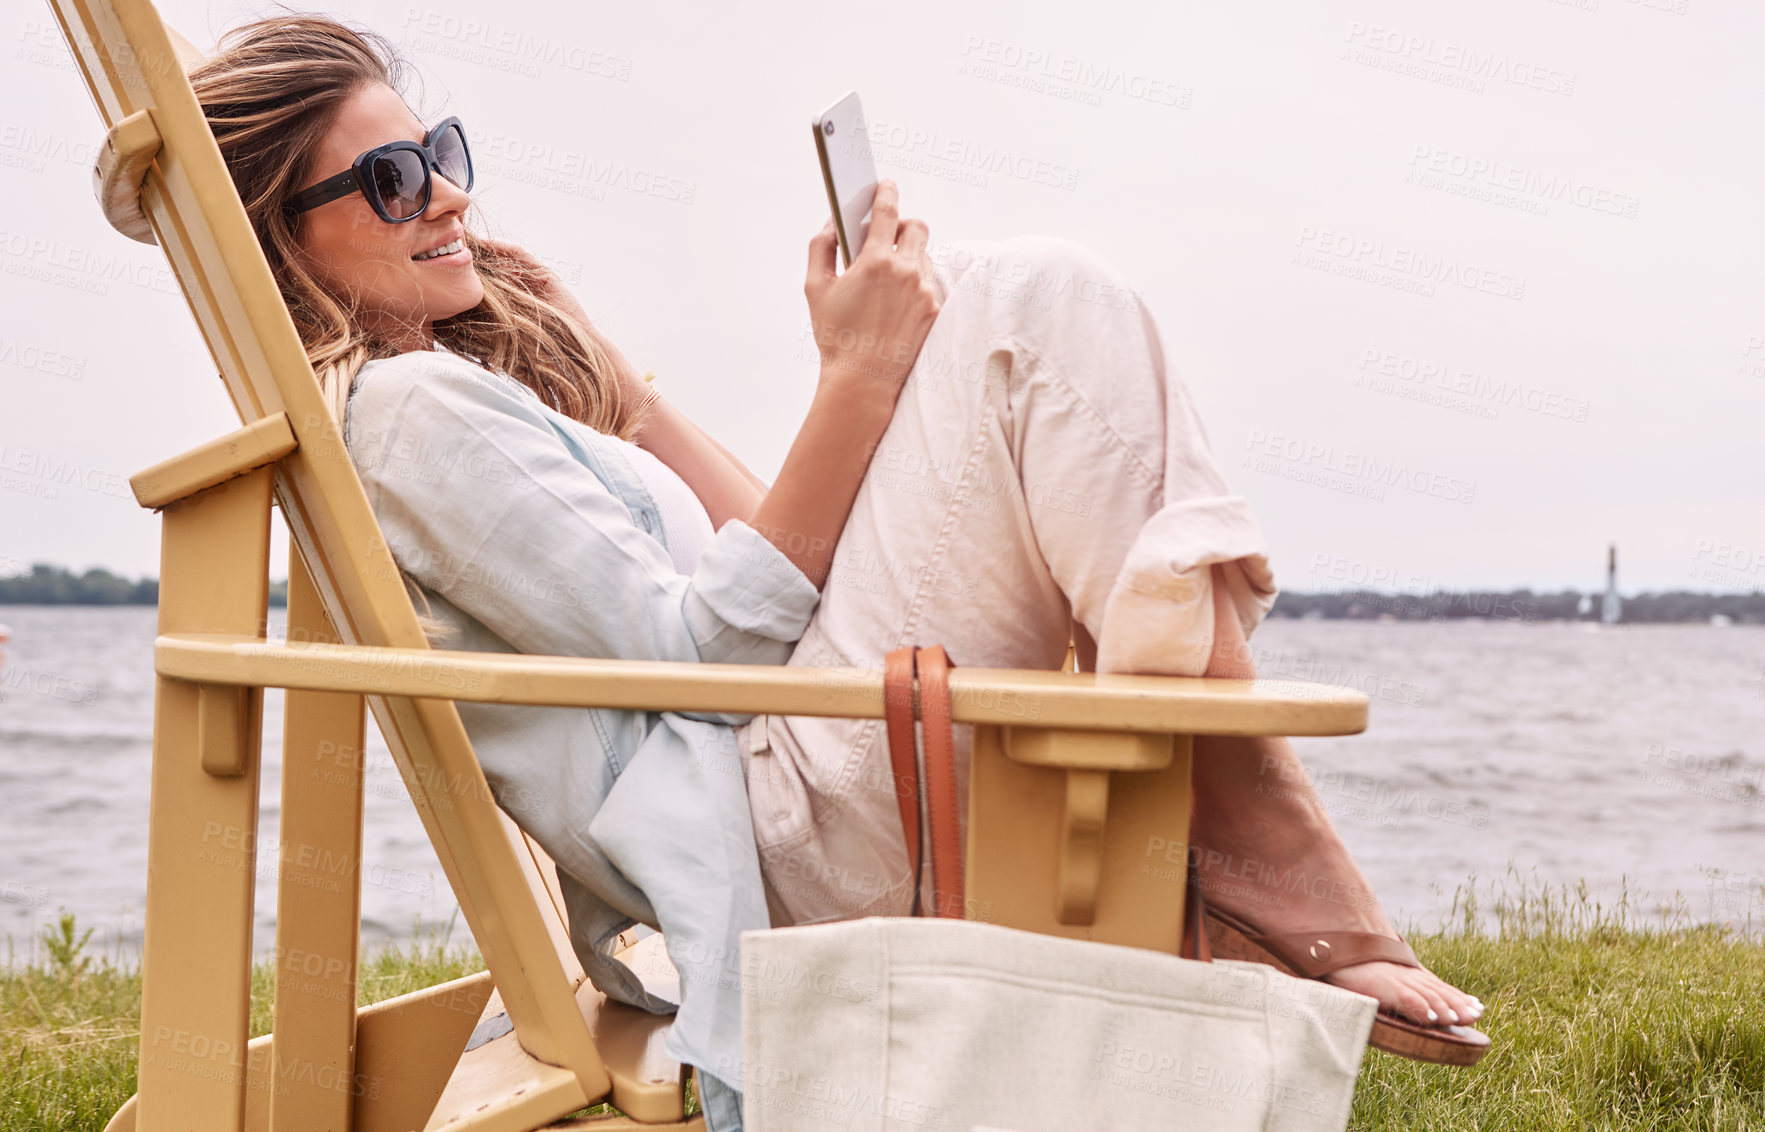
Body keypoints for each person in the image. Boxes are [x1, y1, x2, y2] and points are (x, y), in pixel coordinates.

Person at [189, 14, 1487, 1126]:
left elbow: (758, 599)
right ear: (280, 240)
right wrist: (860, 377)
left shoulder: (437, 401)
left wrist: (632, 396)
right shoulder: (411, 410)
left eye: (443, 154)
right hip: (778, 834)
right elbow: (708, 663)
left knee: (992, 294)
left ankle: (1225, 830)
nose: (450, 195)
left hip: (791, 775)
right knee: (1031, 300)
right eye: (394, 181)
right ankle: (1246, 844)